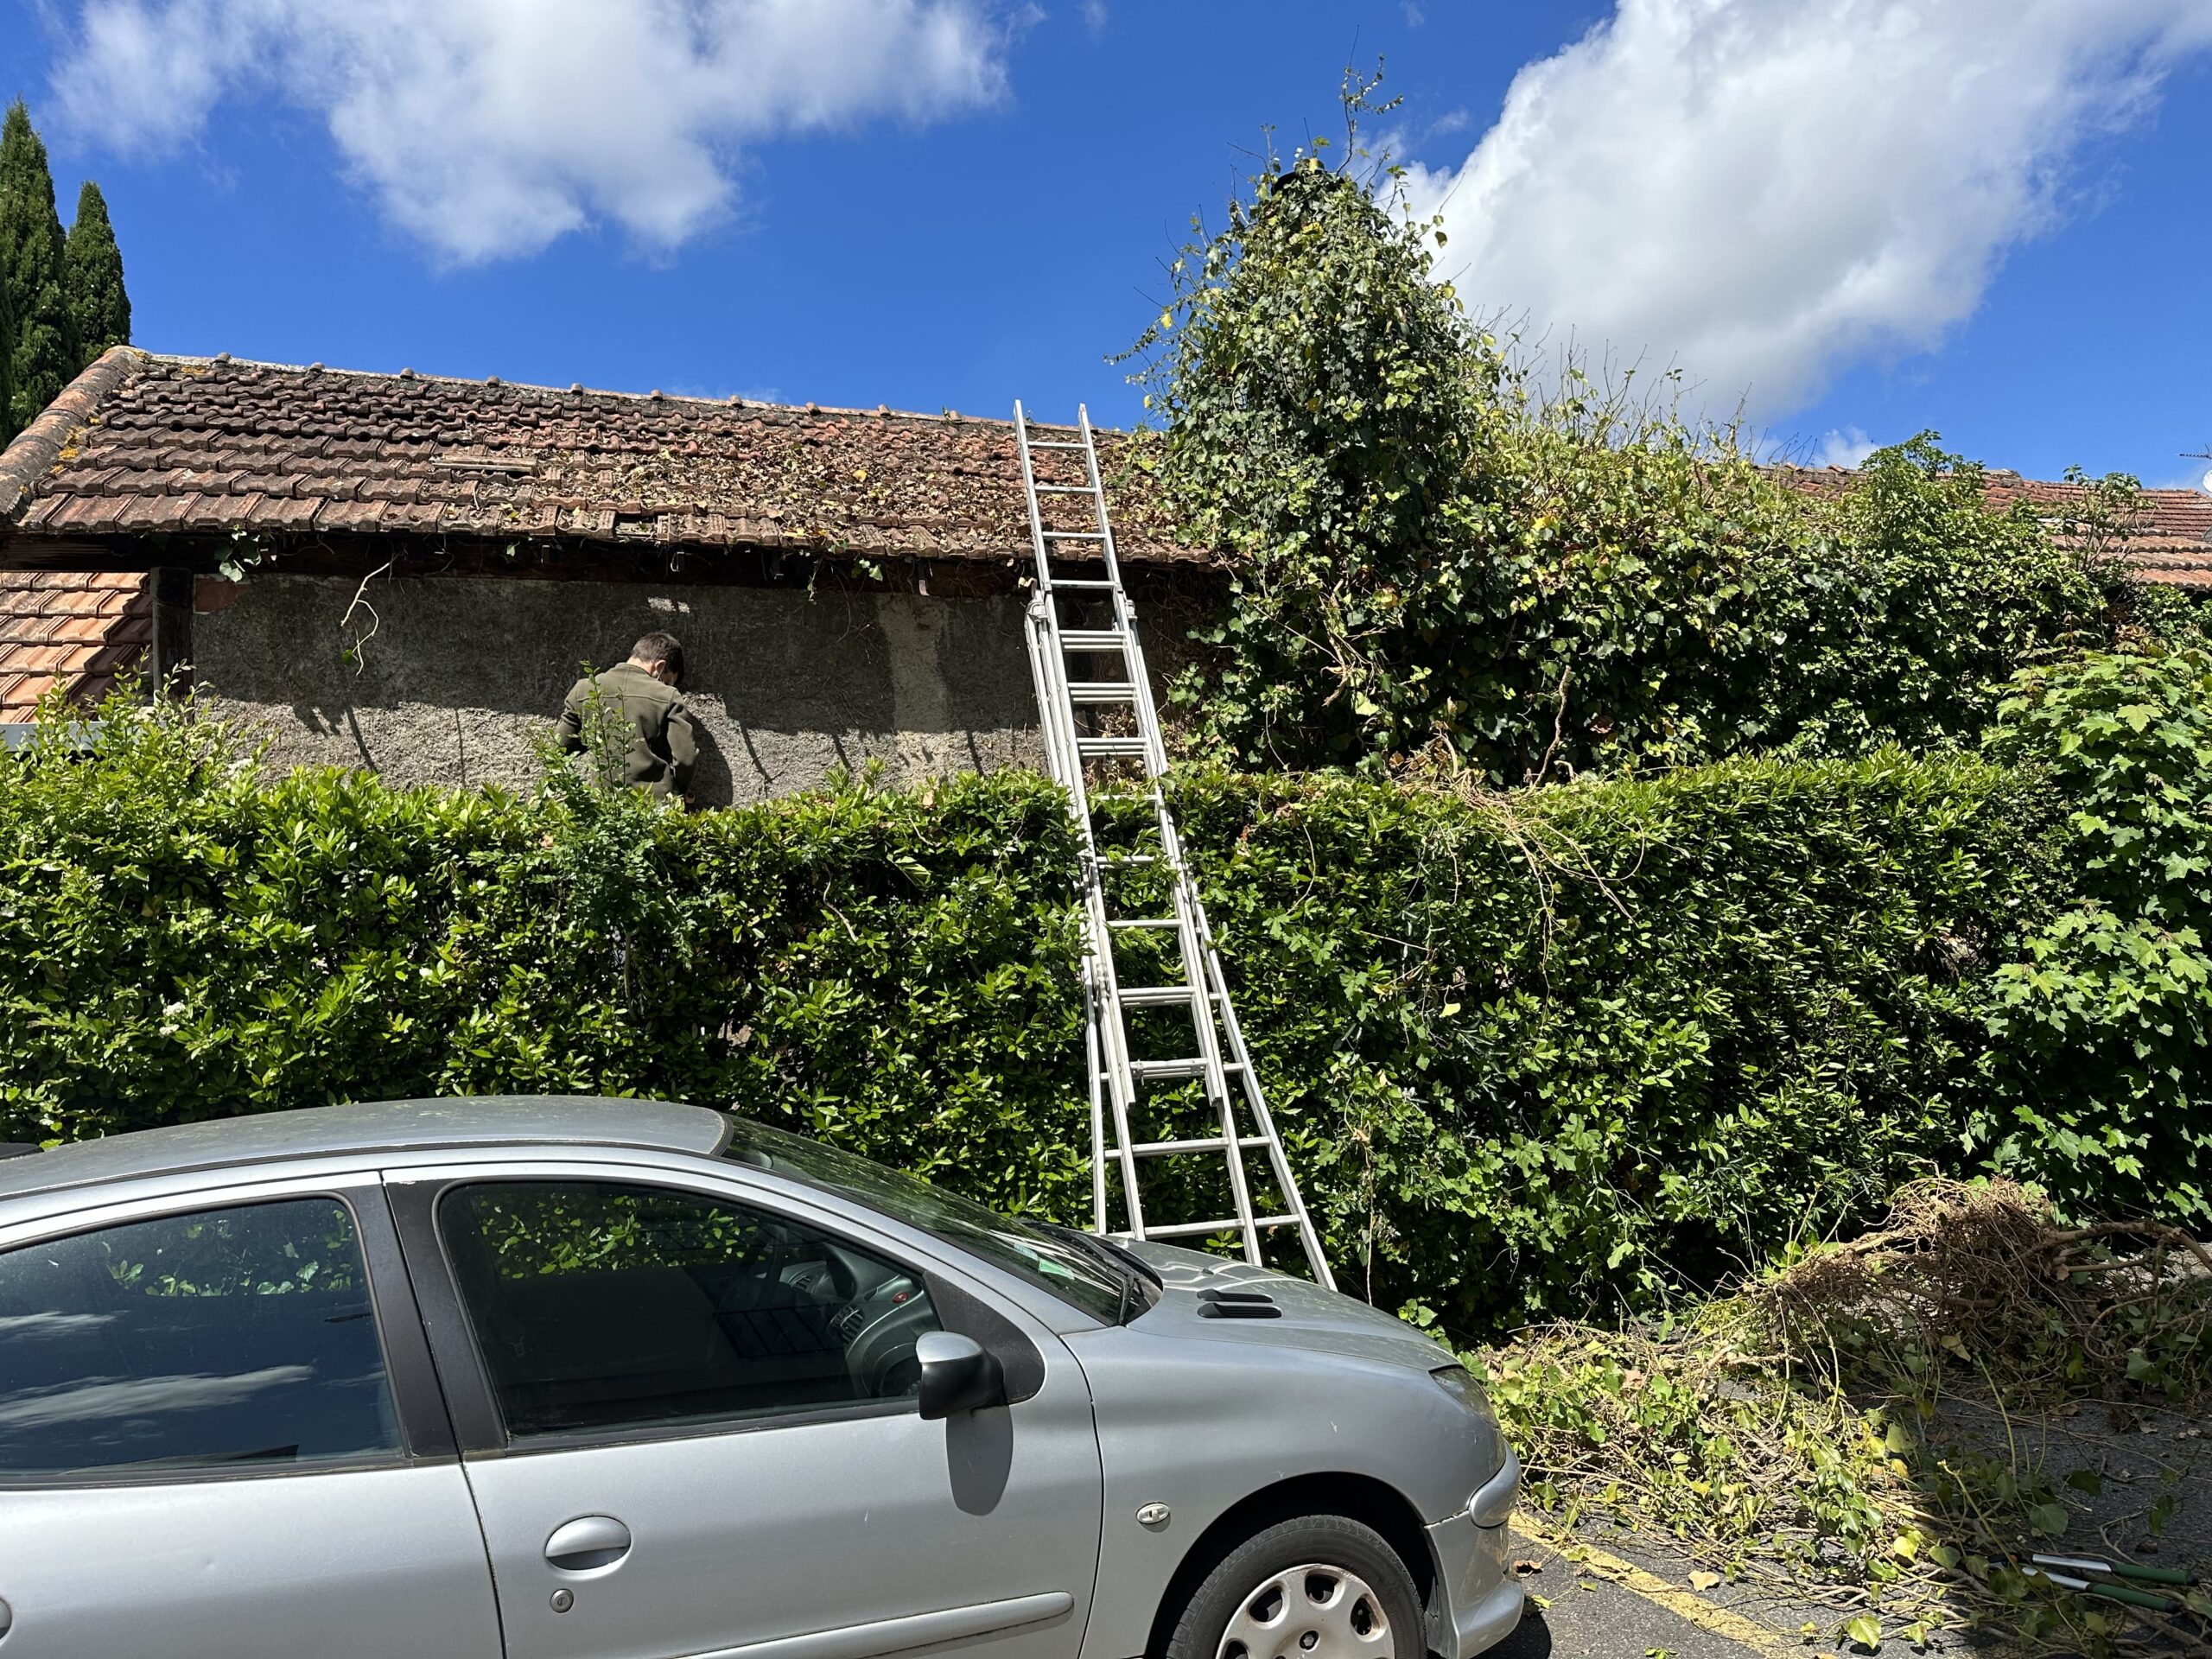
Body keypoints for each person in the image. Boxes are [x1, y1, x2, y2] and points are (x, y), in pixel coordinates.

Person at [556, 631, 698, 802]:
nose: (666, 686)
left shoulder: (584, 689)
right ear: (660, 667)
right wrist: (680, 791)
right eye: (668, 680)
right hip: (654, 805)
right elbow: (686, 758)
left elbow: (559, 749)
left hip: (604, 804)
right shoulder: (667, 695)